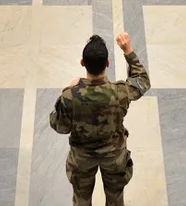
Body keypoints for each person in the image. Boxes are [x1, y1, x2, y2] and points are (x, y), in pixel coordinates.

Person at [49, 32, 151, 206]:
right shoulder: (120, 92)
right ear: (107, 64)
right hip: (114, 156)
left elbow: (60, 126)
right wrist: (128, 50)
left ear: (83, 63)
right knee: (115, 199)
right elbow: (142, 82)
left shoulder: (70, 96)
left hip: (82, 158)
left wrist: (68, 92)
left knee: (81, 200)